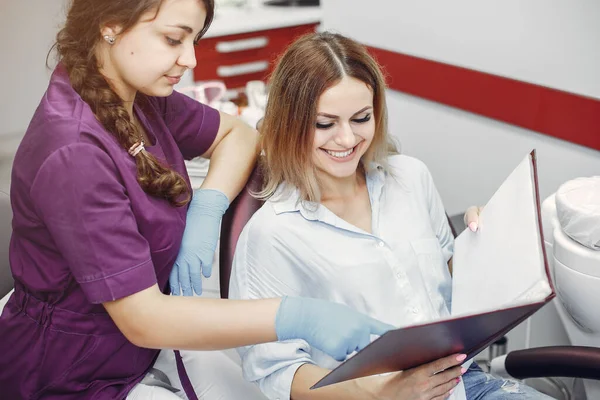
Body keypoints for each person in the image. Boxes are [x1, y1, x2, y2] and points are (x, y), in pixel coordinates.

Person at [0, 2, 394, 399]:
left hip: (135, 349)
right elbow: (144, 319)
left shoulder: (133, 97)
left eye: (194, 38)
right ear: (110, 27)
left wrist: (209, 205)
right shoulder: (75, 153)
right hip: (69, 372)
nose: (189, 59)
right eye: (173, 39)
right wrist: (296, 316)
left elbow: (237, 135)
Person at [228, 32, 554, 400]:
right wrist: (384, 392)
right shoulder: (272, 233)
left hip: (462, 384)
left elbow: (445, 292)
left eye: (361, 118)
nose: (347, 138)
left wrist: (481, 243)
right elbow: (277, 373)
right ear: (290, 123)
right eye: (325, 124)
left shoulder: (411, 177)